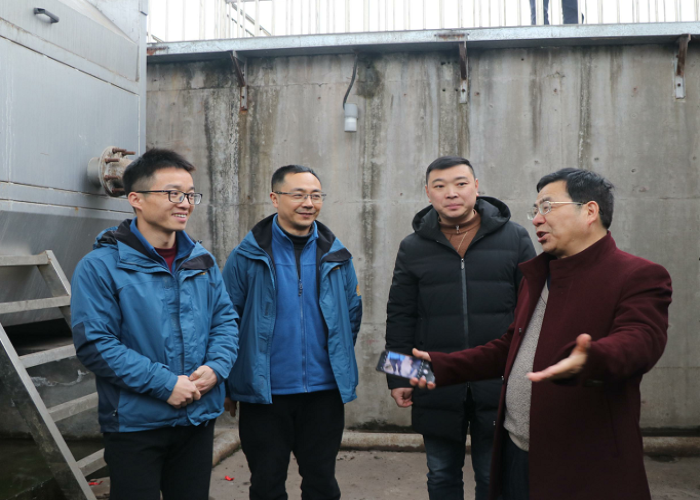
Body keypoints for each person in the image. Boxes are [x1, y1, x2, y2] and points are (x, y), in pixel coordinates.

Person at [411, 168, 672, 500]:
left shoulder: (638, 275)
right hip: (514, 449)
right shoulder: (539, 275)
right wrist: (436, 367)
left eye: (547, 207)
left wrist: (591, 358)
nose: (537, 219)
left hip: (581, 464)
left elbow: (641, 338)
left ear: (589, 211)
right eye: (535, 210)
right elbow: (509, 348)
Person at [71, 148, 239, 500]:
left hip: (197, 418)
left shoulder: (202, 261)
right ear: (136, 199)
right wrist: (165, 384)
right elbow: (97, 344)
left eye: (190, 194)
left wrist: (217, 367)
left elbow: (225, 321)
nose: (185, 204)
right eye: (173, 194)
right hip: (136, 424)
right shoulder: (100, 266)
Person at [385, 156, 535, 500]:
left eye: (460, 184)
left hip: (498, 377)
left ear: (476, 187)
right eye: (439, 186)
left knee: (492, 474)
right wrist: (398, 377)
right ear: (428, 193)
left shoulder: (514, 237)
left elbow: (531, 311)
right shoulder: (413, 246)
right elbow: (400, 314)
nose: (451, 193)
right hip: (433, 378)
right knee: (440, 474)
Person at [222, 165, 362, 500]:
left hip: (324, 393)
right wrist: (228, 382)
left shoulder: (338, 256)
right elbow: (226, 320)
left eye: (315, 195)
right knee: (266, 483)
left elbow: (351, 316)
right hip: (265, 394)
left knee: (322, 482)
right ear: (275, 198)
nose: (308, 203)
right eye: (298, 195)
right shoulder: (246, 256)